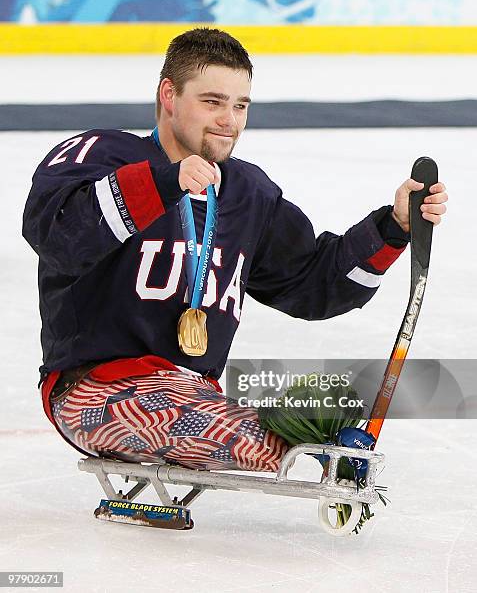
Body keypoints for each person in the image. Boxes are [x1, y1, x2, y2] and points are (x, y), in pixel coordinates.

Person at [22, 27, 448, 471]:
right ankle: (300, 445)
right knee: (262, 444)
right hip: (94, 390)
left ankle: (298, 439)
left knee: (333, 400)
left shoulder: (248, 192)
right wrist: (165, 182)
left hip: (194, 393)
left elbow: (313, 283)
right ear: (169, 95)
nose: (230, 119)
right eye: (212, 102)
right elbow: (57, 235)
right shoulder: (103, 153)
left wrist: (394, 227)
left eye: (240, 105)